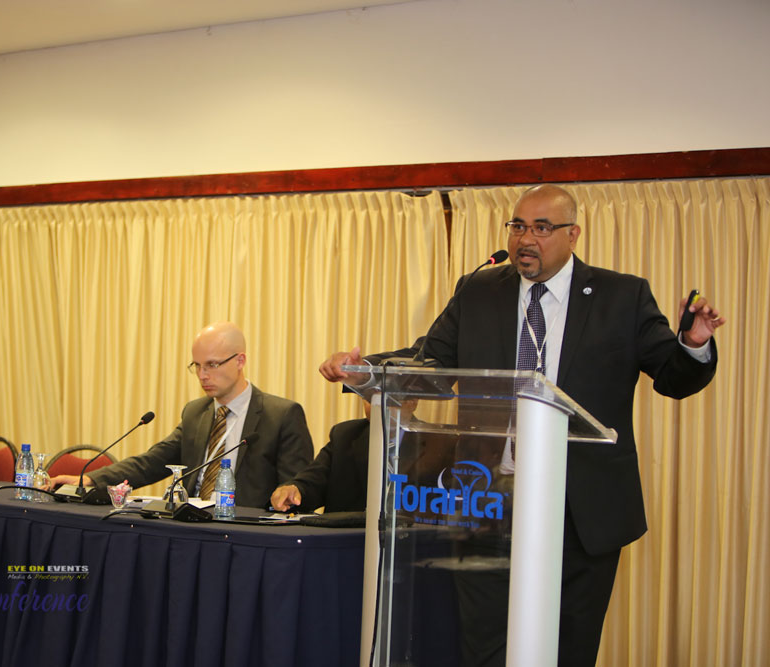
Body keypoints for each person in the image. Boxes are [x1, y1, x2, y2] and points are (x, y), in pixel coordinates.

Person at [319, 184, 725, 667]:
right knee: (484, 648)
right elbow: (431, 361)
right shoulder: (479, 290)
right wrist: (366, 371)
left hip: (582, 510)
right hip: (488, 502)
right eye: (517, 226)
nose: (525, 239)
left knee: (568, 649)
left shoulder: (622, 295)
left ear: (573, 234)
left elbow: (673, 378)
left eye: (541, 228)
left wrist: (693, 344)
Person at [51, 322, 314, 509]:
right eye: (196, 366)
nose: (202, 375)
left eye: (212, 365)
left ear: (240, 361)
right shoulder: (195, 413)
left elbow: (297, 489)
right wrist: (90, 479)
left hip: (247, 536)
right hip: (190, 526)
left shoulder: (281, 415)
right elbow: (152, 462)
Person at [270, 401, 371, 513]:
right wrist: (294, 490)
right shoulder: (345, 436)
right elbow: (312, 482)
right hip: (345, 524)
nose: (378, 403)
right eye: (369, 398)